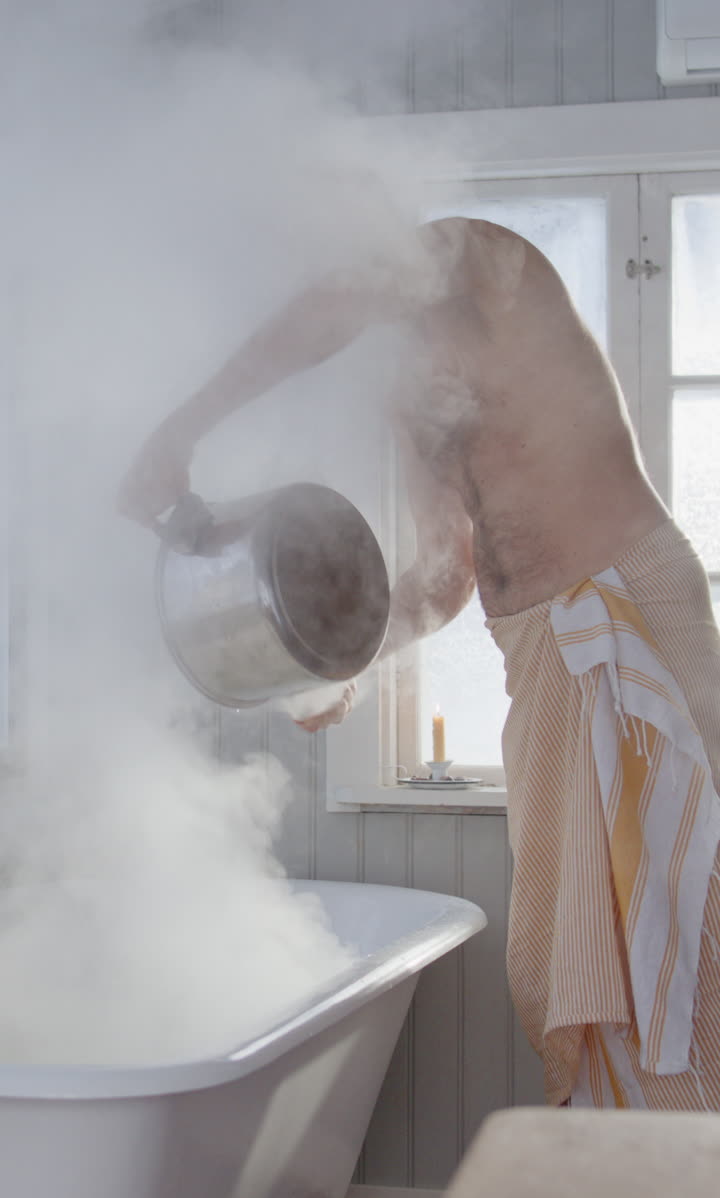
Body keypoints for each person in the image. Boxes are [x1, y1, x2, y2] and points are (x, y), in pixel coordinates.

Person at [119, 215, 720, 1110]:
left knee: (676, 922)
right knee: (572, 948)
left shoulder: (489, 261)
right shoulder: (410, 392)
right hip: (540, 657)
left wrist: (181, 431)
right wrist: (349, 669)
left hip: (626, 611)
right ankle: (627, 1169)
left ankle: (687, 1170)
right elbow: (447, 576)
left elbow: (327, 309)